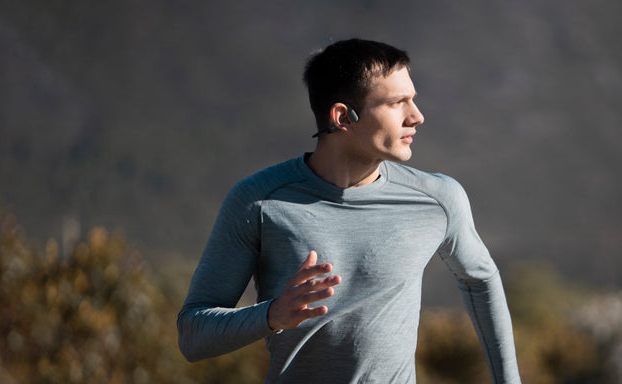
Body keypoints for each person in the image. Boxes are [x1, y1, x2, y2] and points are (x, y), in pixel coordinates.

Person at [177, 38, 520, 383]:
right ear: (343, 117)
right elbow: (193, 334)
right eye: (398, 103)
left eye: (412, 100)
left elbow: (481, 279)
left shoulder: (438, 199)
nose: (417, 116)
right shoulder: (258, 202)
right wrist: (273, 315)